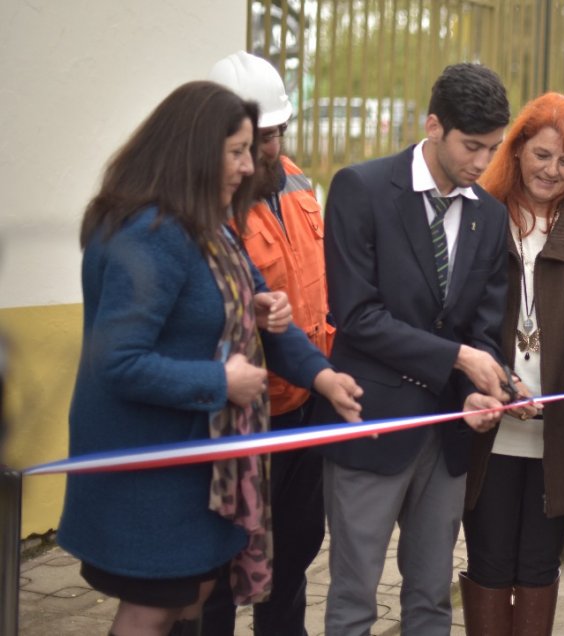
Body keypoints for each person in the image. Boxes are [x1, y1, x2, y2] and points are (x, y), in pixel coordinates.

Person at [56, 81, 362, 636]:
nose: (251, 166)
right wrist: (219, 381)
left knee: (192, 597)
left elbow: (263, 316)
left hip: (199, 461)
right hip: (151, 467)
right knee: (153, 609)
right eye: (238, 151)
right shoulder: (147, 233)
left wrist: (322, 377)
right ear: (193, 149)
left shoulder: (212, 225)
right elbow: (118, 362)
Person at [314, 62, 513, 636]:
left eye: (493, 149)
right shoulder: (362, 188)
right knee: (354, 601)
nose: (482, 163)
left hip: (447, 435)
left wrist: (479, 391)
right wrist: (457, 359)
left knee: (430, 602)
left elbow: (482, 325)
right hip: (370, 424)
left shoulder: (489, 214)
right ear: (433, 126)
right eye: (472, 146)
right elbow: (356, 315)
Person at [459, 92, 564, 635]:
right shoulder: (482, 214)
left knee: (537, 564)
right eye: (541, 155)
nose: (552, 171)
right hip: (490, 429)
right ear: (517, 150)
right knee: (488, 562)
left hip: (561, 434)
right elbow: (465, 315)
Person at [201, 51, 336, 635]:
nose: (270, 150)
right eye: (258, 139)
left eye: (277, 133)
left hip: (304, 407)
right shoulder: (210, 204)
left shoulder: (301, 181)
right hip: (242, 418)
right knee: (223, 566)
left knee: (295, 555)